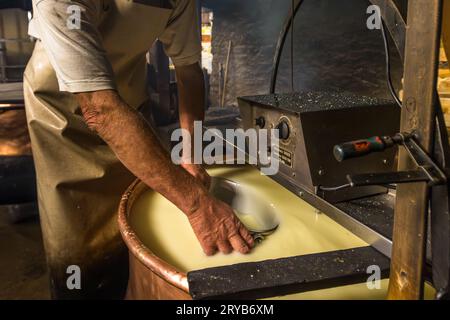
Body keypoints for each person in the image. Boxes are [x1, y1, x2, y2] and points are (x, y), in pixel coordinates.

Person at [24, 0, 254, 299]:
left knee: (144, 215)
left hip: (128, 103)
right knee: (78, 246)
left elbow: (189, 72)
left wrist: (191, 155)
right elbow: (99, 110)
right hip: (63, 115)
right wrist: (197, 204)